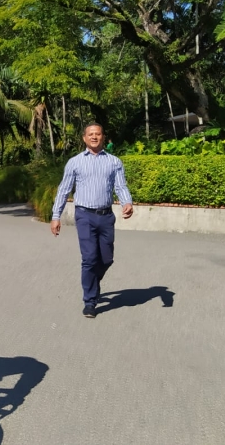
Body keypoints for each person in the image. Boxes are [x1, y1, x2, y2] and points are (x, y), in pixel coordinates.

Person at [50, 123, 134, 318]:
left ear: (103, 137)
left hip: (106, 216)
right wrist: (56, 216)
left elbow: (121, 186)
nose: (94, 137)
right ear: (84, 138)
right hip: (84, 216)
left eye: (98, 134)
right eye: (91, 134)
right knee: (89, 259)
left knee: (106, 259)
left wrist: (127, 203)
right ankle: (90, 301)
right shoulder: (75, 162)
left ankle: (92, 283)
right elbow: (63, 190)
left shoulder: (114, 162)